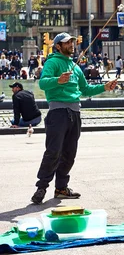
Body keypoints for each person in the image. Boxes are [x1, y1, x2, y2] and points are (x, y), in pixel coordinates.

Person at [31, 33, 118, 204]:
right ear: (58, 46)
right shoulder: (53, 62)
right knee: (53, 152)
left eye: (72, 41)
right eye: (67, 42)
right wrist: (58, 80)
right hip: (58, 113)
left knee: (69, 154)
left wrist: (104, 87)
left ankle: (61, 188)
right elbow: (43, 83)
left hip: (75, 113)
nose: (71, 44)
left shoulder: (75, 66)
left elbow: (85, 90)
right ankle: (41, 188)